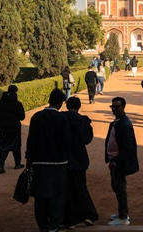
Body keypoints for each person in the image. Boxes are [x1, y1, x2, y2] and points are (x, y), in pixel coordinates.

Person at [26, 89, 72, 232]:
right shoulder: (62, 119)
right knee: (57, 195)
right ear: (60, 103)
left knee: (40, 196)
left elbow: (31, 140)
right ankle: (54, 224)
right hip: (58, 162)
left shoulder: (36, 117)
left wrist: (29, 159)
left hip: (39, 162)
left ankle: (43, 225)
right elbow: (67, 141)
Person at [63, 96, 98, 228]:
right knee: (81, 187)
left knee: (67, 189)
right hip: (79, 157)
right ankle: (88, 215)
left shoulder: (62, 118)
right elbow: (87, 139)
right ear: (79, 107)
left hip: (64, 158)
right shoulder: (83, 121)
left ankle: (70, 219)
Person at [105, 97, 139, 226]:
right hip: (115, 160)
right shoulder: (117, 122)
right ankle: (121, 212)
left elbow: (128, 147)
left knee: (120, 188)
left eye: (116, 107)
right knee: (116, 187)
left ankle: (123, 216)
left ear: (123, 107)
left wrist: (116, 161)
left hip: (119, 161)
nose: (114, 109)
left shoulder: (124, 124)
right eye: (112, 107)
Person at [0, 85, 26, 174]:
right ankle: (17, 163)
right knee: (16, 146)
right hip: (14, 128)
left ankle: (1, 164)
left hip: (3, 128)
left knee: (4, 147)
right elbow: (22, 117)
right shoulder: (17, 104)